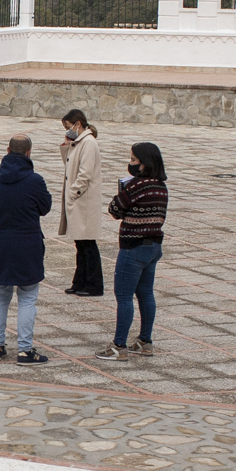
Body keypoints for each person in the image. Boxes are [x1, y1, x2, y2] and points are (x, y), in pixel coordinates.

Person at [96, 141, 168, 362]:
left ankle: (119, 345)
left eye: (134, 160)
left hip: (133, 247)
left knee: (124, 296)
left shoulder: (136, 186)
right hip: (153, 245)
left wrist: (123, 191)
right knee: (146, 293)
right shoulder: (160, 186)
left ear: (144, 164)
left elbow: (114, 209)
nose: (131, 164)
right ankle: (145, 341)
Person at [0, 133, 52, 365]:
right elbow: (45, 208)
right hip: (27, 244)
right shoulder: (35, 181)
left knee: (0, 294)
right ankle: (24, 350)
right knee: (27, 297)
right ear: (28, 153)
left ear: (7, 150)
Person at [58, 109, 104, 296]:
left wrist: (73, 193)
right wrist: (67, 144)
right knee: (81, 245)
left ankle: (93, 284)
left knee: (88, 245)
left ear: (78, 124)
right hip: (78, 200)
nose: (68, 131)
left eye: (69, 127)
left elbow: (84, 173)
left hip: (83, 201)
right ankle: (79, 281)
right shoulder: (79, 142)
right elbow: (69, 163)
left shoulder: (89, 143)